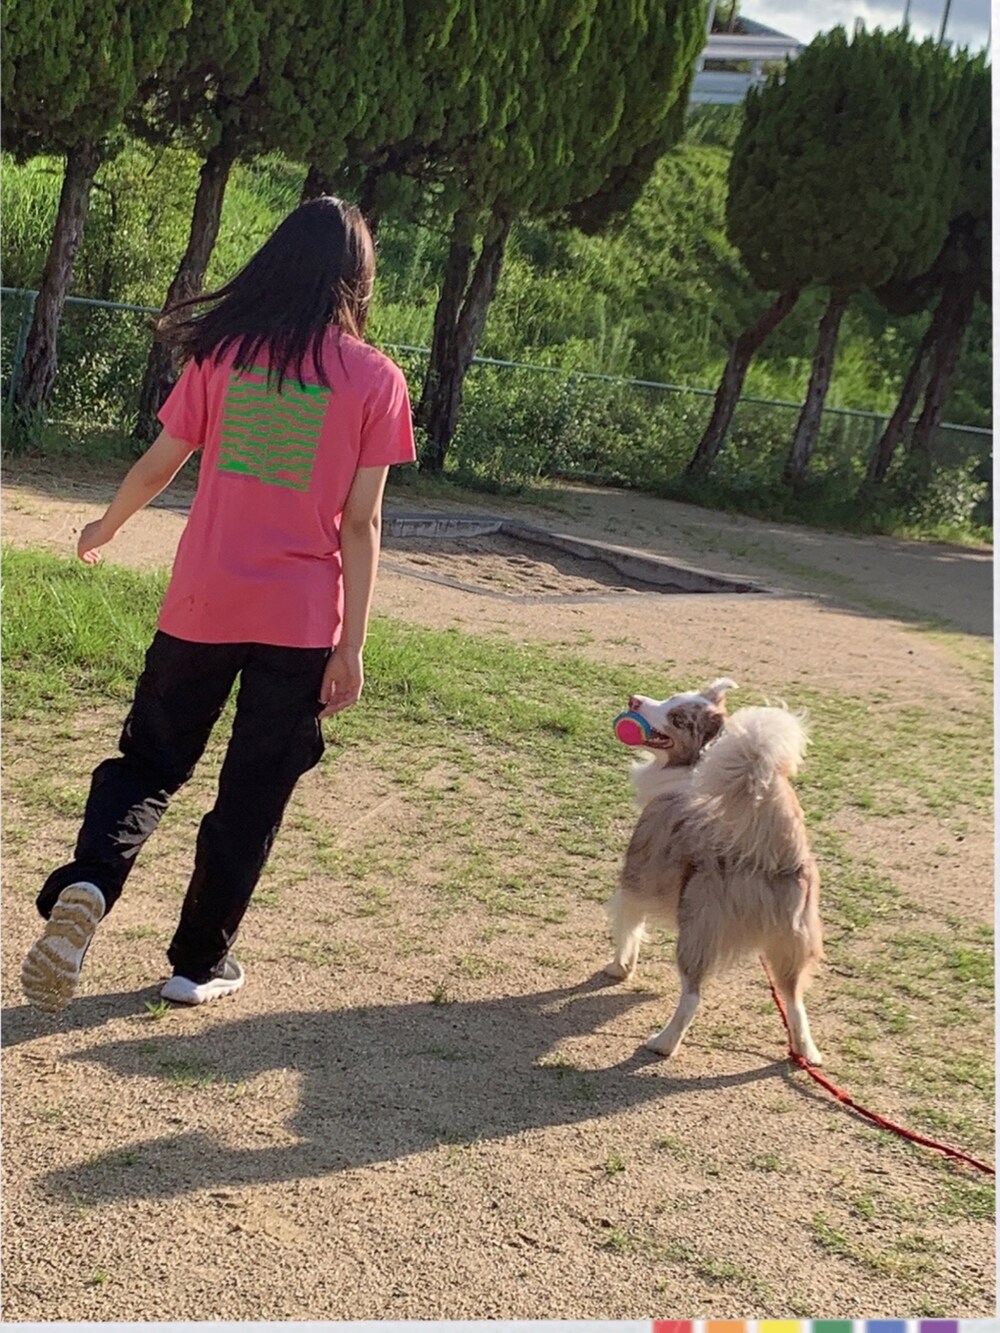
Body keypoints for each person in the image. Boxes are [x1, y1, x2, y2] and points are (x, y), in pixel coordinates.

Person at [21, 196, 416, 1013]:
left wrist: (106, 523)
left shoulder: (225, 356)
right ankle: (197, 962)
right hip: (301, 622)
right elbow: (362, 522)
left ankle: (89, 885)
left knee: (149, 764)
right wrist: (352, 645)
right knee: (252, 793)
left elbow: (162, 461)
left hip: (201, 604)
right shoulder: (377, 380)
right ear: (356, 279)